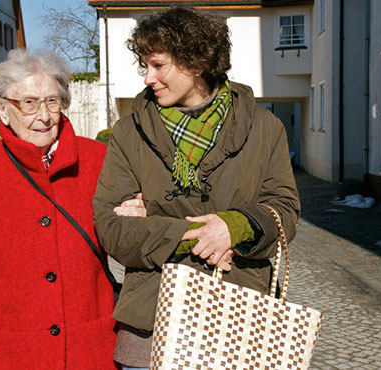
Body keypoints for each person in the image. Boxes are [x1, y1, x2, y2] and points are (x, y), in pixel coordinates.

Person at [92, 6, 300, 370]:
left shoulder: (265, 128)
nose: (148, 78)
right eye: (145, 66)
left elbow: (284, 211)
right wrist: (201, 234)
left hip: (240, 316)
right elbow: (113, 228)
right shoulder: (128, 133)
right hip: (150, 323)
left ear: (196, 62)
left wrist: (235, 226)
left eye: (158, 65)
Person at [0, 50, 117, 369]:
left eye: (52, 102)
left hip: (90, 349)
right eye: (29, 103)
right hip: (9, 352)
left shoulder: (98, 160)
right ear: (3, 109)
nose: (43, 115)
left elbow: (128, 237)